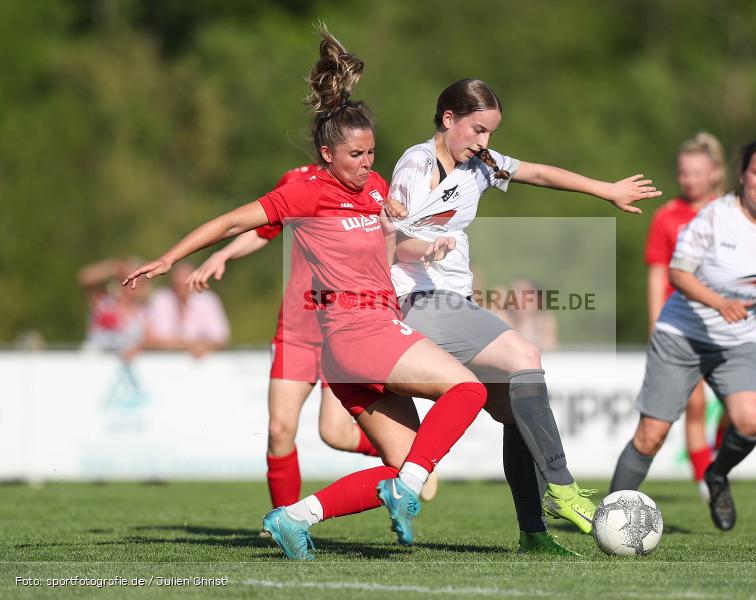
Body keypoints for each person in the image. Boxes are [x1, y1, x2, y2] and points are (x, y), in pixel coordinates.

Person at [123, 26, 487, 560]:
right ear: (326, 152)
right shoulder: (306, 192)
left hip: (348, 347)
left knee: (403, 463)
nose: (368, 163)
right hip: (359, 332)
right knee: (469, 391)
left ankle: (295, 518)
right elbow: (230, 221)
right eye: (358, 155)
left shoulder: (377, 190)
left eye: (372, 153)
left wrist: (418, 246)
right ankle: (403, 490)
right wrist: (171, 257)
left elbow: (386, 252)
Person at [387, 78, 660, 553]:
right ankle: (562, 487)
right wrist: (427, 246)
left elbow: (538, 172)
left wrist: (605, 190)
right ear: (448, 119)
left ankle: (533, 533)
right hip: (417, 302)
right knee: (525, 353)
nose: (484, 142)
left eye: (490, 132)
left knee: (517, 411)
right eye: (477, 129)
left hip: (453, 303)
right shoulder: (417, 165)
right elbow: (390, 241)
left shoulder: (481, 164)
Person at [186, 164, 437, 509]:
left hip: (343, 329)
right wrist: (224, 253)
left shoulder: (372, 186)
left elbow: (392, 243)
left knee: (334, 433)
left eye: (365, 149)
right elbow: (262, 229)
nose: (361, 158)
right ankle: (283, 520)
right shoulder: (296, 183)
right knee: (278, 431)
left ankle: (412, 461)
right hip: (296, 330)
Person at [609, 139, 756, 532]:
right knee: (651, 437)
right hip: (681, 333)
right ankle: (607, 517)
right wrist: (718, 302)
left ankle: (716, 476)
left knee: (751, 421)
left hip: (737, 341)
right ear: (743, 175)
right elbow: (677, 273)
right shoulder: (714, 217)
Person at [644, 132, 729, 500]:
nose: (689, 179)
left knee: (738, 408)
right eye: (683, 172)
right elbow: (657, 272)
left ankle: (720, 462)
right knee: (694, 403)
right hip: (680, 324)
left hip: (726, 321)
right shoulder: (667, 217)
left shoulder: (731, 213)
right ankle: (706, 480)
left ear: (714, 173)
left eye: (697, 172)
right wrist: (655, 323)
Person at [142, 262, 230, 358]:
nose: (181, 289)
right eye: (177, 284)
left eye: (185, 284)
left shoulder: (208, 300)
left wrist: (177, 343)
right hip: (164, 360)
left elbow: (220, 338)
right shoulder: (160, 299)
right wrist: (194, 345)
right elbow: (152, 339)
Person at [79, 256, 147, 357]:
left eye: (138, 281)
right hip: (95, 360)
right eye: (129, 279)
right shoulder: (104, 302)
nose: (133, 285)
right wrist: (115, 268)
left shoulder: (143, 310)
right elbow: (86, 278)